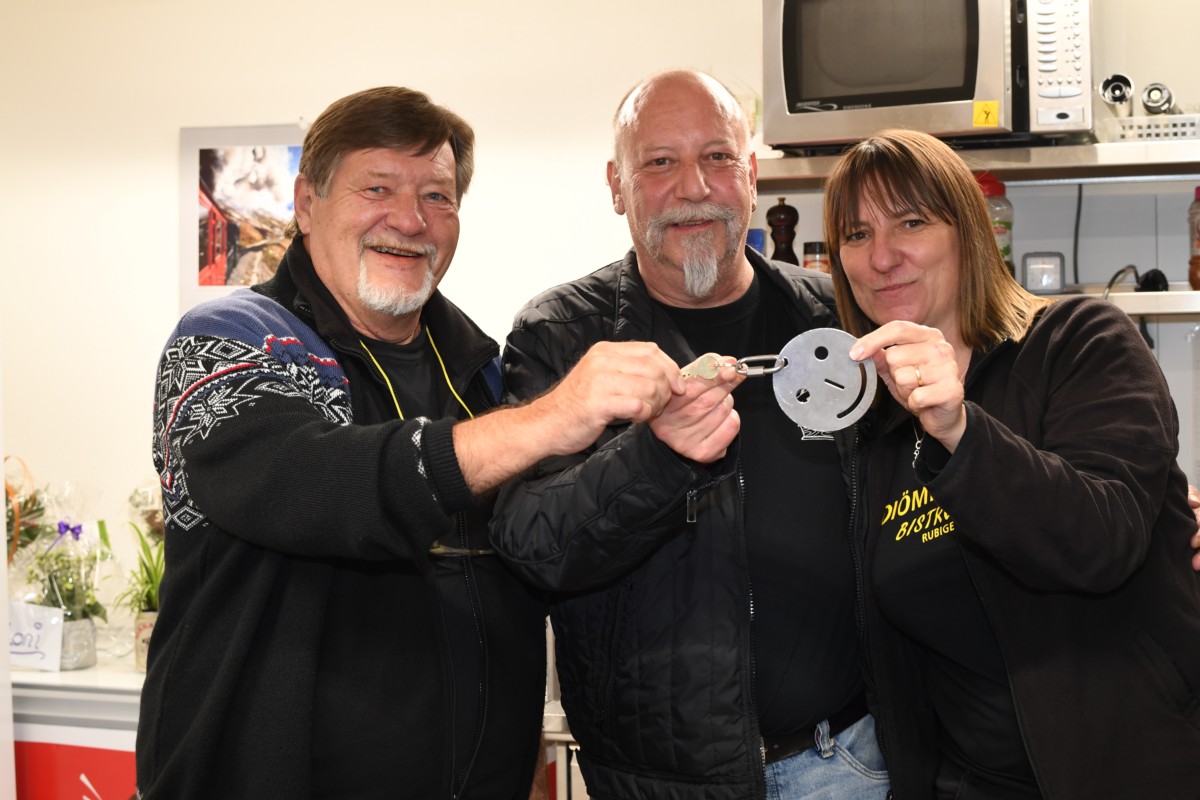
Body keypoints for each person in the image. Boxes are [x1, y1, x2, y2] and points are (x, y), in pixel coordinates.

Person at [136, 85, 737, 799]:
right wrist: (552, 417)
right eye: (377, 188)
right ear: (305, 203)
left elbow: (525, 577)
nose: (409, 220)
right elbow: (319, 488)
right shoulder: (229, 342)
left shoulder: (481, 371)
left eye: (437, 197)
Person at [490, 69, 889, 799]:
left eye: (716, 157)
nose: (694, 187)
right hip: (656, 782)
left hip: (847, 761)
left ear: (752, 175)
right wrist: (655, 454)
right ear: (617, 186)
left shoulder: (837, 319)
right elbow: (532, 548)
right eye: (660, 162)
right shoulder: (560, 334)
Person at [826, 129, 1200, 799]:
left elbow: (1103, 541)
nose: (882, 257)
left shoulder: (1080, 342)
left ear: (967, 233)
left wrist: (960, 428)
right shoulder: (872, 424)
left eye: (911, 222)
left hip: (1134, 772)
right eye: (857, 234)